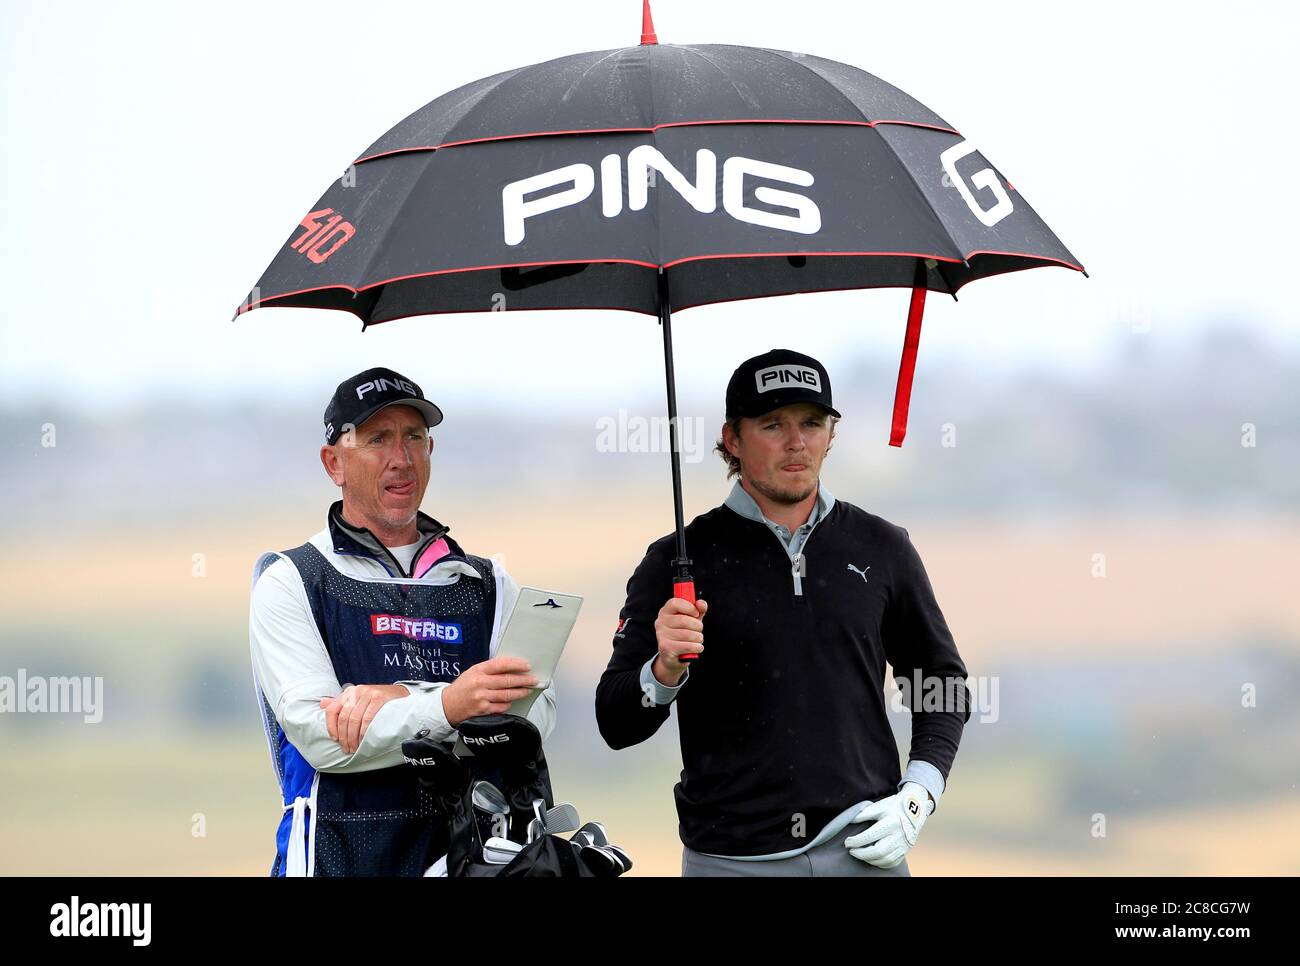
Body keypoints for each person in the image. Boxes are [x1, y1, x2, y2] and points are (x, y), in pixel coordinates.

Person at [595, 348, 970, 876]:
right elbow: (615, 721)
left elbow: (941, 680)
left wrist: (920, 793)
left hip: (865, 849)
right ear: (732, 439)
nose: (797, 443)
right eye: (773, 424)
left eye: (812, 424)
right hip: (729, 860)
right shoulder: (674, 559)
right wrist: (664, 670)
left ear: (831, 434)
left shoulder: (883, 547)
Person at [248, 366, 554, 876]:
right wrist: (454, 705)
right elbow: (326, 741)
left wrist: (402, 699)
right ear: (334, 463)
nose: (401, 458)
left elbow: (531, 721)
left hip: (475, 859)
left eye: (415, 436)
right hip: (336, 858)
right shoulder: (289, 580)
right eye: (378, 439)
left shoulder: (490, 582)